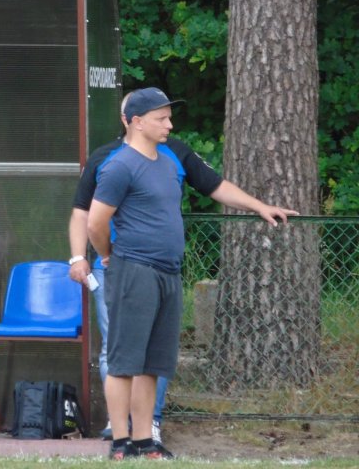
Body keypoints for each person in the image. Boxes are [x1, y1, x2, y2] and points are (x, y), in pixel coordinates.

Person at [82, 87, 297, 460]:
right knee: (123, 362)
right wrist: (108, 256)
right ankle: (120, 443)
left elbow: (216, 187)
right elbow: (95, 223)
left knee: (152, 363)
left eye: (169, 117)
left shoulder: (168, 163)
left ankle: (145, 441)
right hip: (133, 270)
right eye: (161, 118)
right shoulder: (119, 165)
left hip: (168, 272)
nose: (169, 124)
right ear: (137, 122)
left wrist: (259, 206)